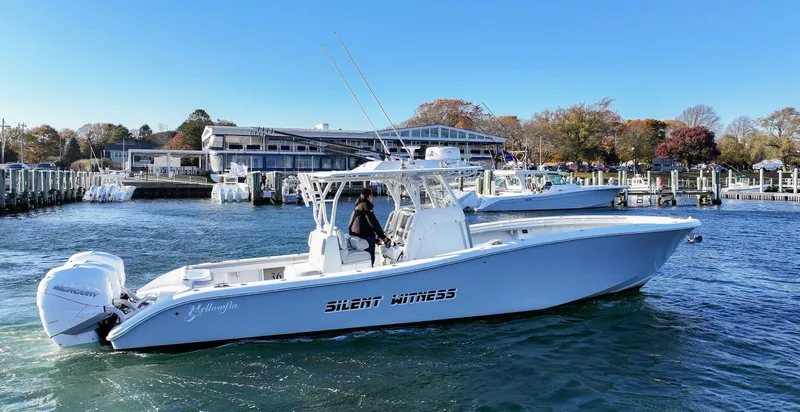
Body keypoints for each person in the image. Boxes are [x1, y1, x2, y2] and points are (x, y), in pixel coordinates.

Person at [348, 188, 390, 266]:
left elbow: (365, 224)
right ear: (369, 197)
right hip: (364, 236)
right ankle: (371, 267)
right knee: (371, 258)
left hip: (356, 235)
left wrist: (376, 239)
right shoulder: (366, 205)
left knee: (372, 240)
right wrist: (384, 237)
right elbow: (373, 223)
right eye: (372, 196)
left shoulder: (358, 206)